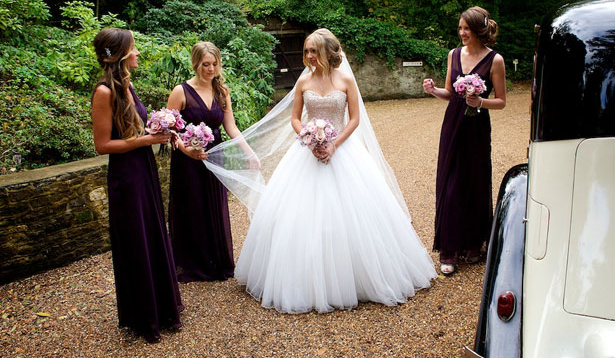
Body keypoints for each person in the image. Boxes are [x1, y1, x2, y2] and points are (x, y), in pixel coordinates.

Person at [205, 29, 436, 313]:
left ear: (328, 51)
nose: (310, 56)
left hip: (342, 152)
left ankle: (357, 277)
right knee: (300, 215)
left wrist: (334, 144)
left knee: (354, 215)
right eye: (307, 51)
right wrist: (309, 138)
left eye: (314, 51)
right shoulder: (303, 80)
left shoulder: (346, 79)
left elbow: (354, 119)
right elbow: (294, 118)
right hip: (306, 153)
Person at [91, 28, 183, 343]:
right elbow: (102, 145)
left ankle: (162, 309)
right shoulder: (104, 92)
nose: (138, 53)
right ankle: (144, 316)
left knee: (152, 235)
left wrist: (161, 127)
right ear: (119, 54)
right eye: (134, 48)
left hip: (143, 168)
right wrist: (148, 138)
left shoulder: (127, 85)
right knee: (136, 239)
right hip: (126, 177)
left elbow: (136, 128)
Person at [423, 6, 506, 276]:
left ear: (479, 30)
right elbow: (449, 93)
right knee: (450, 181)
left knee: (475, 180)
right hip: (453, 124)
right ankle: (448, 248)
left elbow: (502, 102)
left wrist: (480, 100)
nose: (461, 33)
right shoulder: (453, 55)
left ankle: (473, 245)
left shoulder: (495, 61)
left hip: (478, 127)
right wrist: (434, 90)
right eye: (460, 28)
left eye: (466, 29)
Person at [166, 42, 257, 282]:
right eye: (206, 64)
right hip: (187, 160)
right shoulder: (180, 92)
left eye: (215, 64)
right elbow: (169, 133)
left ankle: (216, 262)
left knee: (214, 205)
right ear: (196, 63)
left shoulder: (221, 92)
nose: (211, 69)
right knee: (192, 207)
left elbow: (231, 127)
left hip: (215, 156)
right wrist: (188, 151)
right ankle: (192, 264)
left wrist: (249, 152)